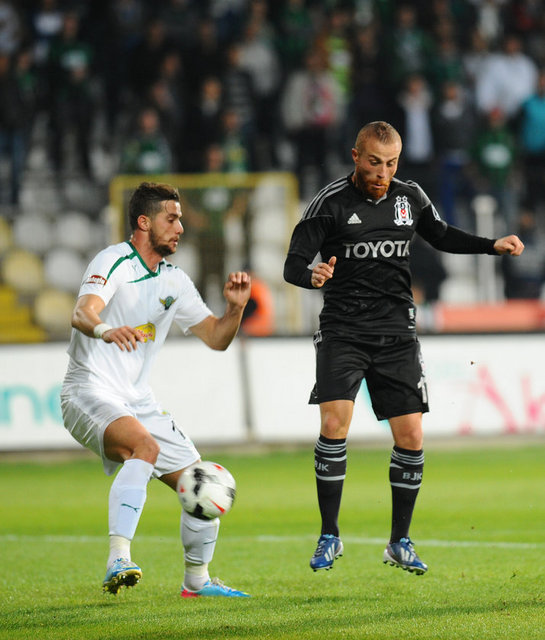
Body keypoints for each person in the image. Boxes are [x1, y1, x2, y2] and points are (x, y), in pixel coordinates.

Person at [283, 121, 525, 575]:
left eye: (391, 163)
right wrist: (310, 275)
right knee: (334, 423)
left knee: (411, 436)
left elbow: (441, 234)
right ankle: (329, 534)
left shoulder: (409, 197)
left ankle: (399, 542)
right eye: (375, 162)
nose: (383, 172)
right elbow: (293, 263)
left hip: (397, 334)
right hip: (343, 331)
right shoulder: (329, 203)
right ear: (356, 156)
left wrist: (491, 246)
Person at [60, 181, 251, 598]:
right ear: (144, 222)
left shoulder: (174, 281)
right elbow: (82, 313)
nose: (180, 227)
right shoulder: (113, 261)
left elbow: (216, 337)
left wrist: (235, 310)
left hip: (137, 400)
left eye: (180, 219)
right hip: (88, 389)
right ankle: (118, 558)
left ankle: (196, 582)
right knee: (143, 447)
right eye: (172, 218)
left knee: (202, 481)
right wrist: (107, 330)